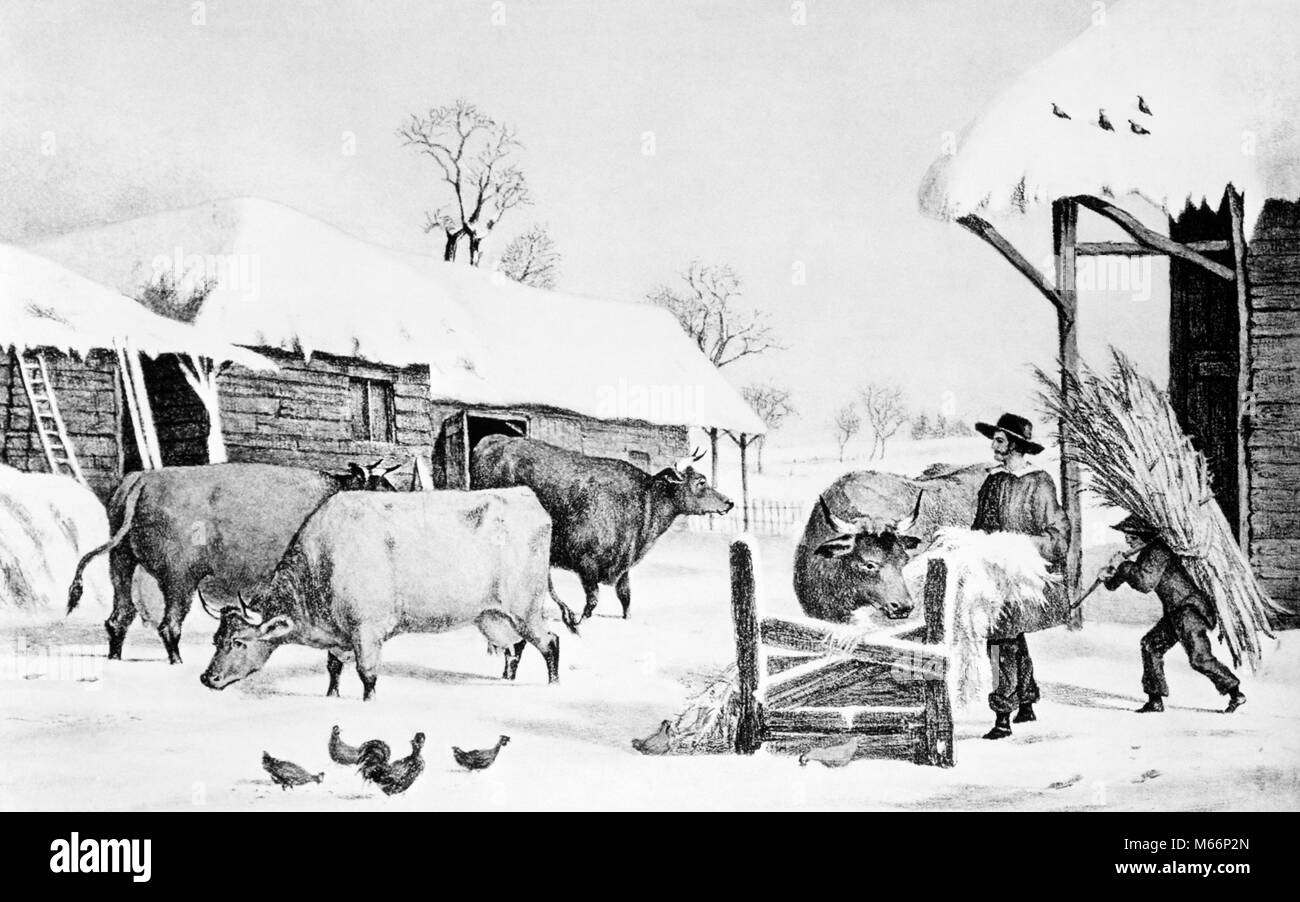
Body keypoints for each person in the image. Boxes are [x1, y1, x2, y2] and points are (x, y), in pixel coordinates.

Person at [971, 413, 1069, 740]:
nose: (993, 445)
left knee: (1000, 642)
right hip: (995, 575)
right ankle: (1025, 701)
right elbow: (980, 527)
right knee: (1009, 636)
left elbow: (1057, 536)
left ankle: (1002, 716)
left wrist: (1019, 546)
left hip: (1024, 577)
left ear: (1014, 445)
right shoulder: (993, 481)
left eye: (999, 440)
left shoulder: (1038, 482)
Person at [1099, 514, 1245, 714]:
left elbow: (1144, 583)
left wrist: (1123, 566)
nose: (1127, 541)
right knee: (1150, 645)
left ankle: (1236, 693)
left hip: (1189, 610)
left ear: (1144, 536)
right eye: (1127, 536)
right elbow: (1123, 579)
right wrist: (1108, 576)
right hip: (1176, 612)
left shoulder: (1158, 551)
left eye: (1131, 537)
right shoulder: (1146, 554)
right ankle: (1155, 701)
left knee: (1199, 659)